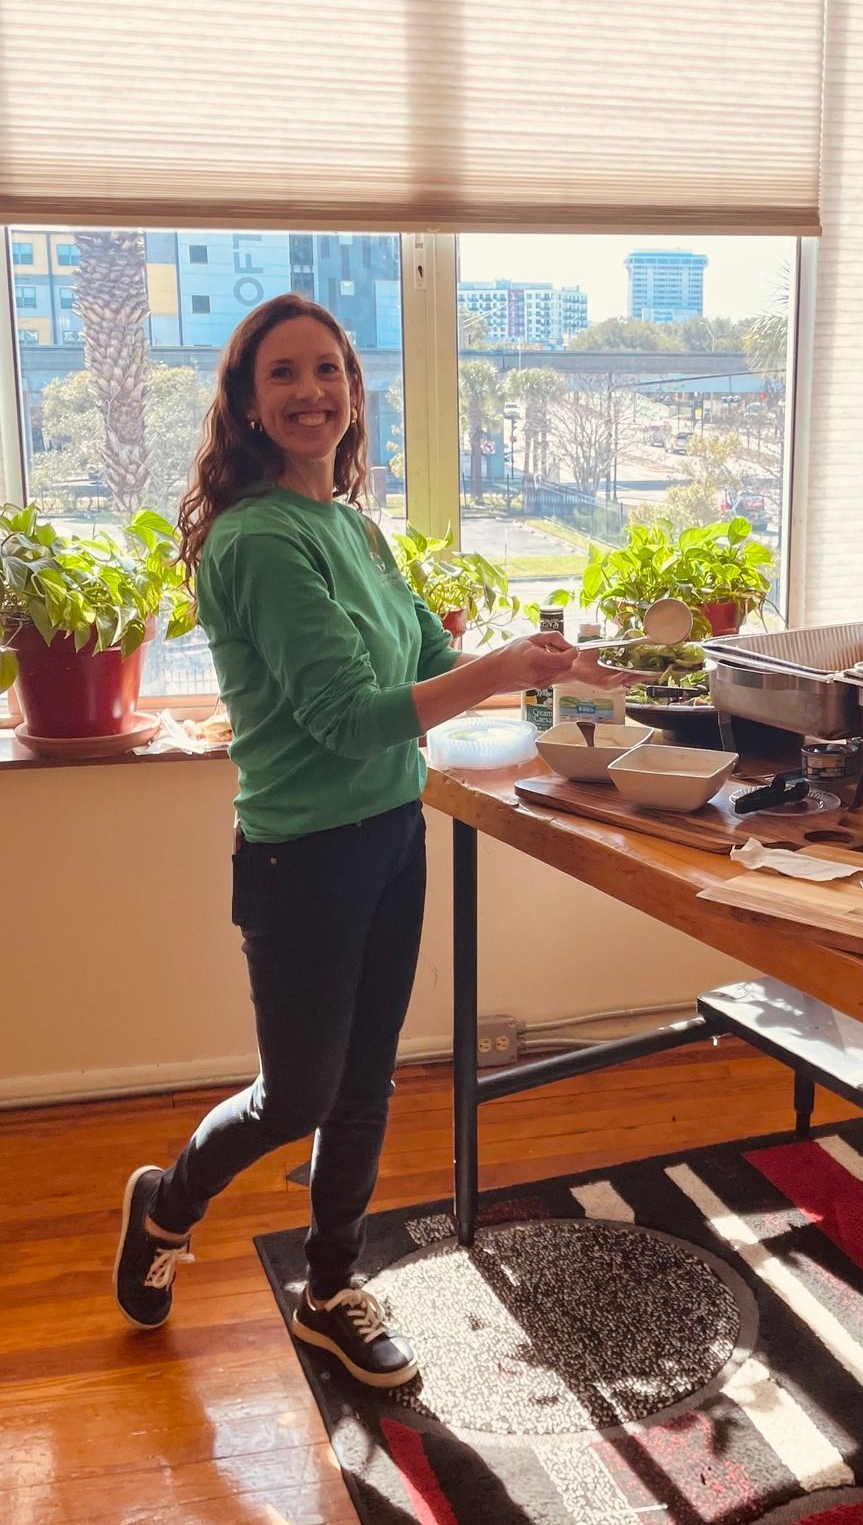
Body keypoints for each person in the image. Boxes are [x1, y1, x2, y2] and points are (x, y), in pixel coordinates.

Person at [112, 293, 626, 1387]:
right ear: (248, 404)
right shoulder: (258, 539)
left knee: (365, 1084)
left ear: (353, 389)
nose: (312, 392)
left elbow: (430, 659)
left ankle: (330, 1288)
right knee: (296, 1096)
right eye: (284, 373)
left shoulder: (352, 525)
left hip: (391, 832)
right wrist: (498, 670)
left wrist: (545, 668)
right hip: (302, 856)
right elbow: (348, 717)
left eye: (329, 369)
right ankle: (166, 1203)